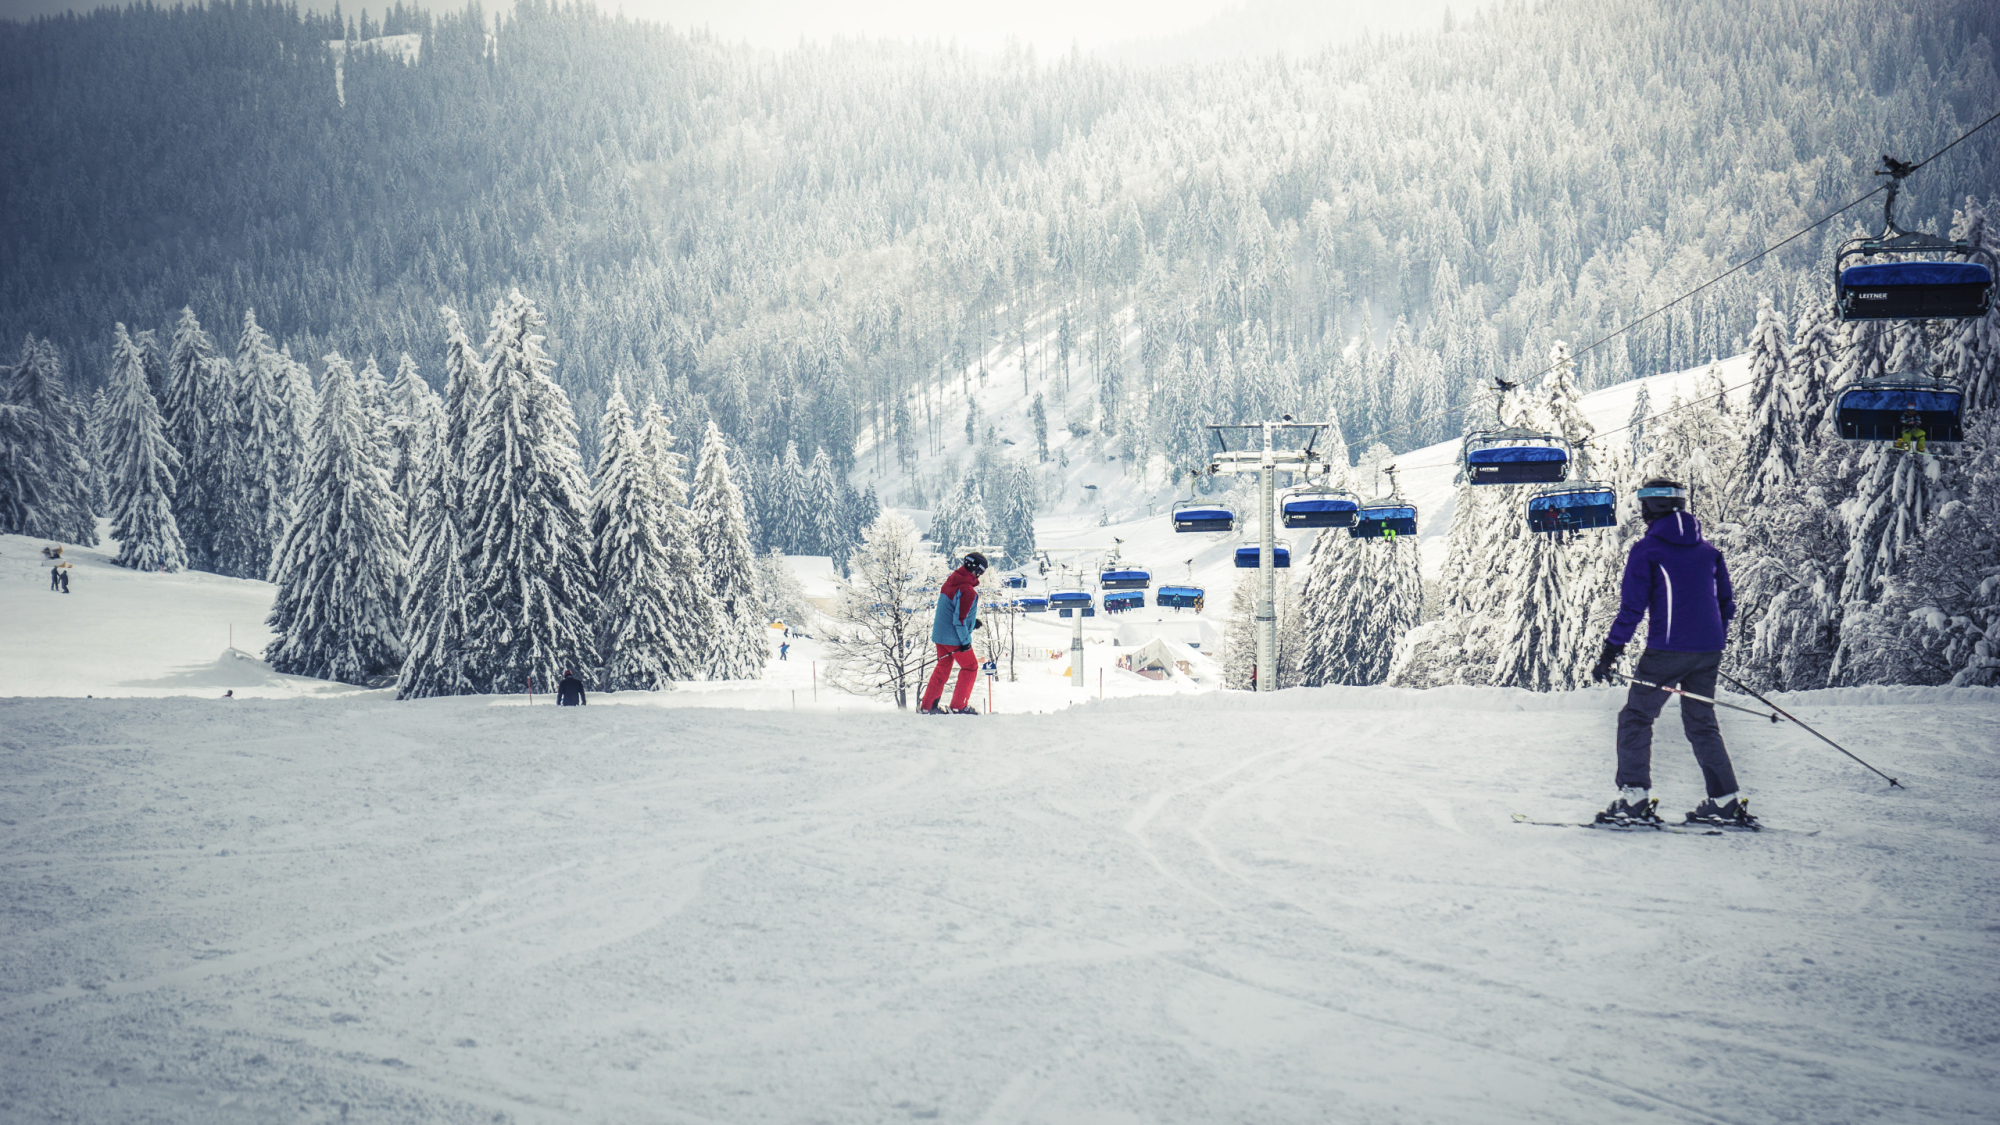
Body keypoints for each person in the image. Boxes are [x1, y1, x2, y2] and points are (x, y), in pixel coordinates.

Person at [1590, 480, 1752, 828]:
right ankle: (1725, 801)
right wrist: (1708, 642)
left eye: (1643, 506)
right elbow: (1726, 603)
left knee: (1635, 717)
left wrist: (1610, 651)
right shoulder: (1709, 552)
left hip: (1666, 649)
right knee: (1702, 724)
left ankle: (1634, 799)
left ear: (1651, 509)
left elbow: (1632, 609)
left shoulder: (1647, 550)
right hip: (1708, 649)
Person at [919, 551, 987, 715]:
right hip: (954, 638)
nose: (980, 575)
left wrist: (972, 622)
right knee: (970, 667)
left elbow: (952, 610)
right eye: (981, 571)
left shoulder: (950, 582)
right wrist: (965, 641)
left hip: (940, 636)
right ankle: (959, 706)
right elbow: (959, 619)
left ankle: (928, 707)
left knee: (942, 668)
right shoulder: (968, 590)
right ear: (975, 569)